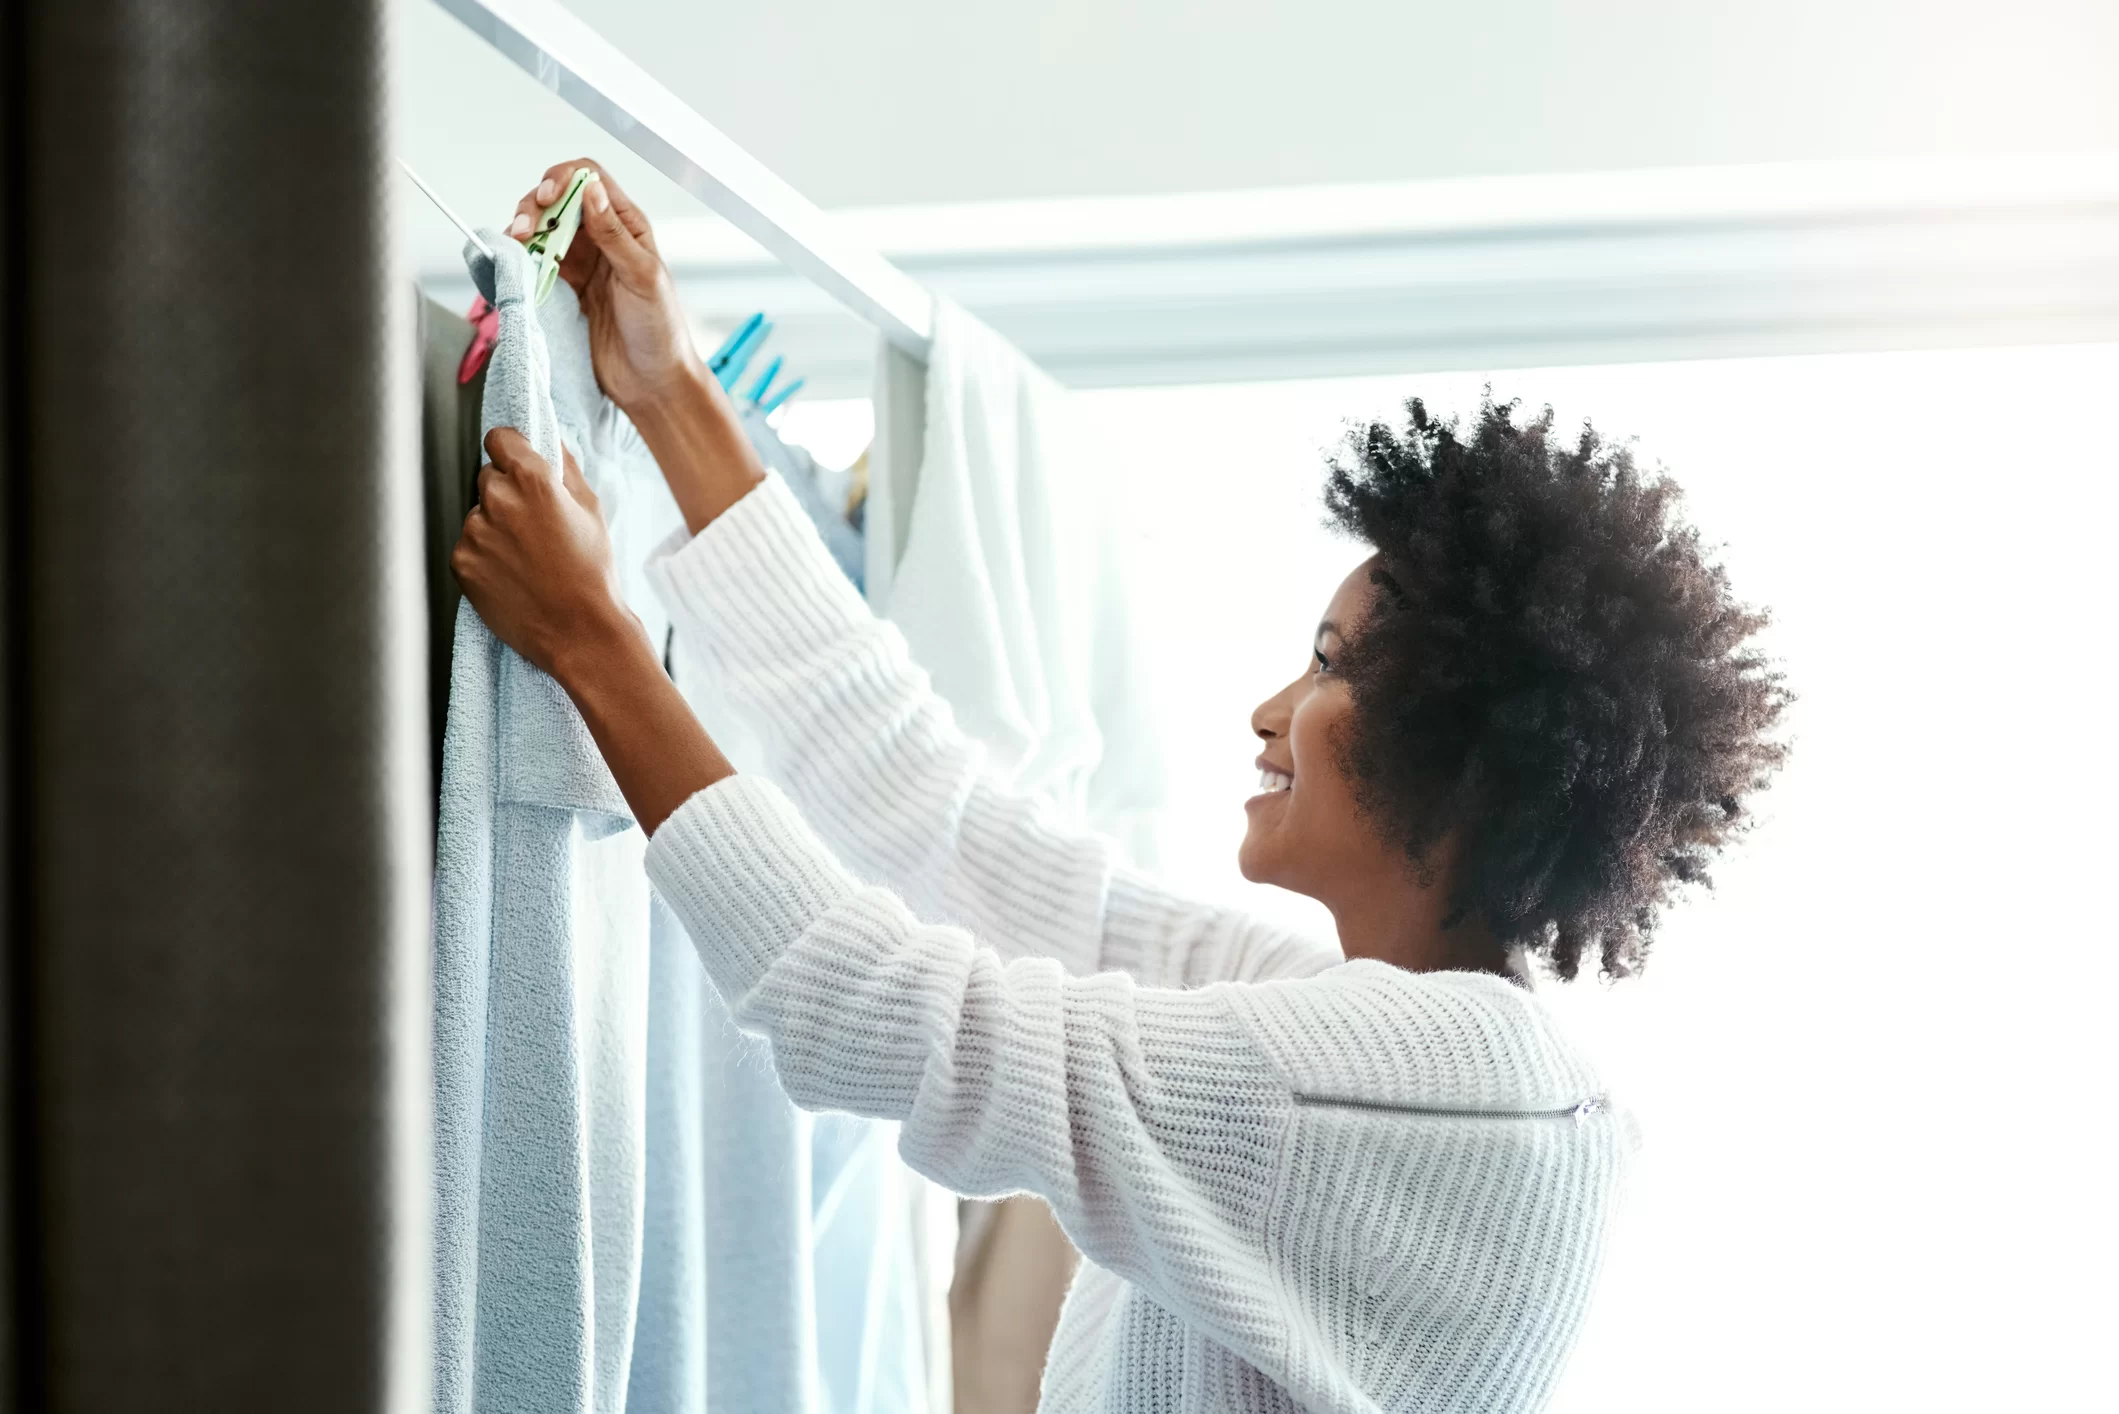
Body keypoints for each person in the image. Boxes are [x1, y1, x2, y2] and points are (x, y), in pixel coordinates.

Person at [454, 158, 1790, 1414]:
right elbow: (951, 826)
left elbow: (879, 1012)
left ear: (1455, 756)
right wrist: (673, 393)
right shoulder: (1397, 1041)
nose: (1270, 713)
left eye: (1327, 668)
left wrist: (594, 643)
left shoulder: (1424, 1093)